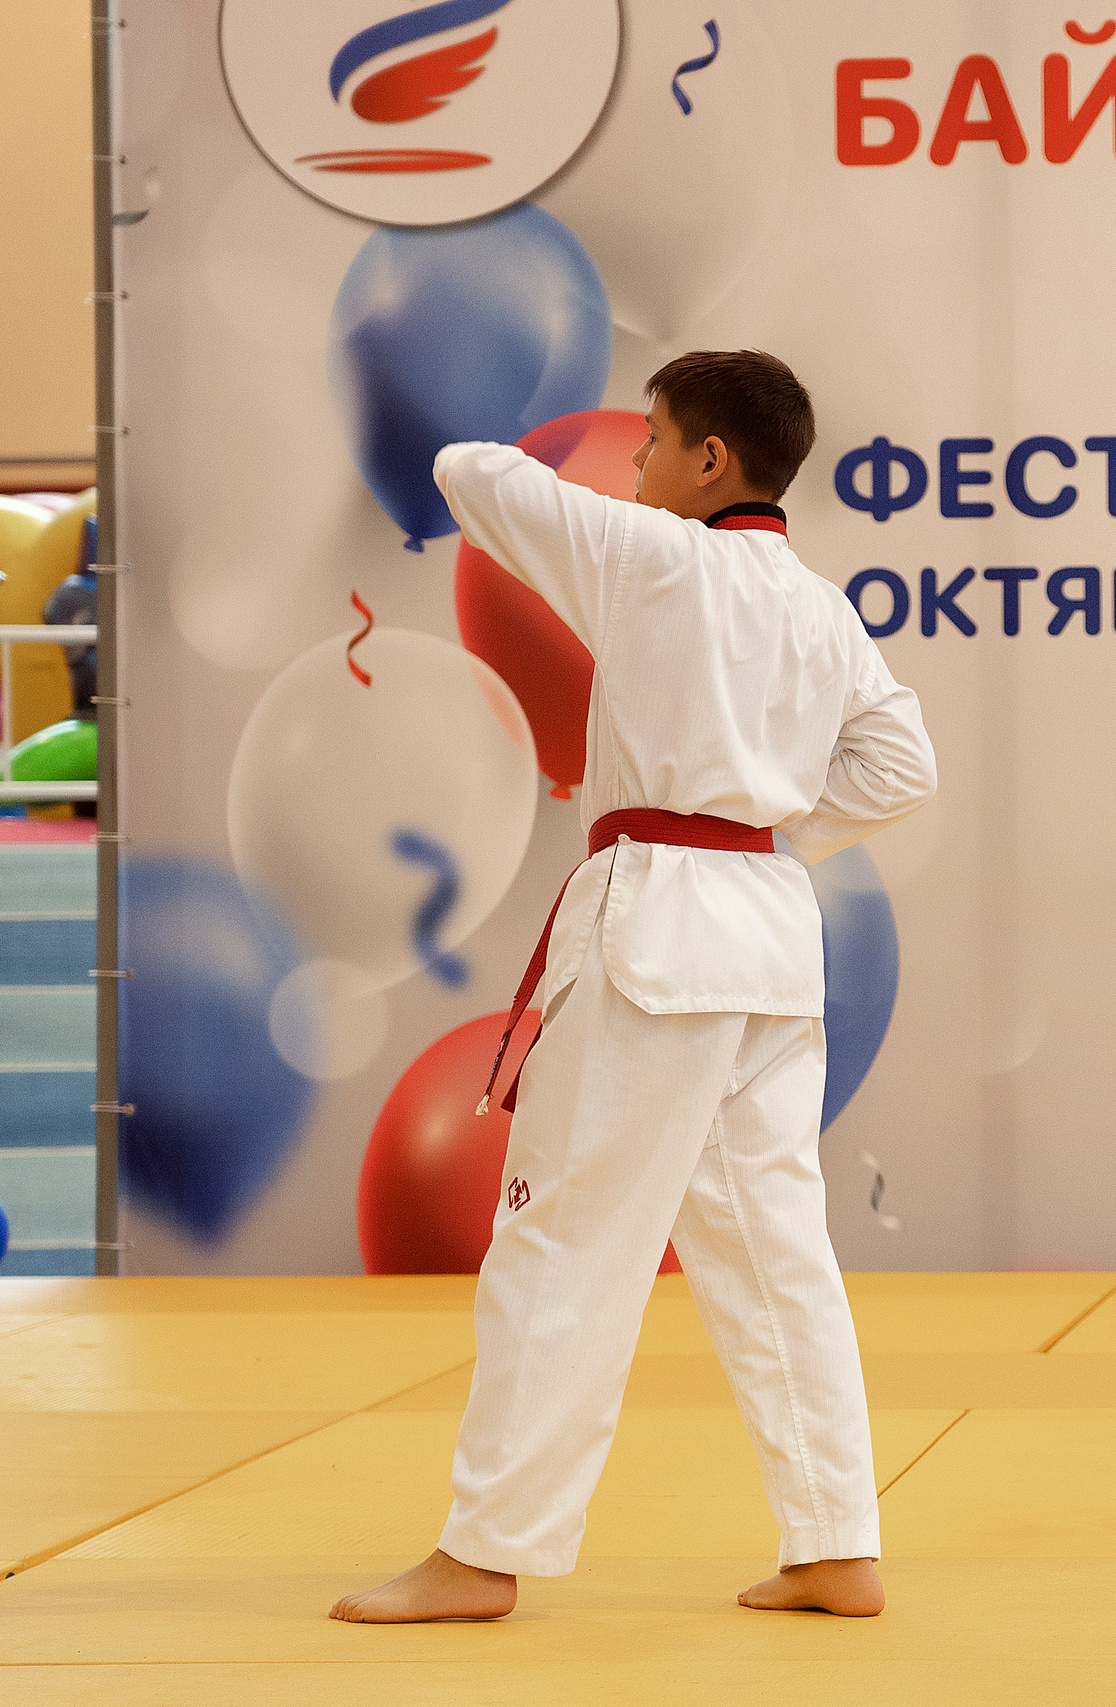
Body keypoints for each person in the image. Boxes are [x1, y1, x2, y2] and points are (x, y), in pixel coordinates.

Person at [330, 350, 934, 1623]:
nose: (636, 463)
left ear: (712, 461)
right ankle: (836, 1543)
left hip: (658, 922)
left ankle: (485, 1553)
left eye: (651, 440)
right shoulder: (821, 608)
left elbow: (471, 473)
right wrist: (765, 822)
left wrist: (699, 822)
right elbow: (900, 769)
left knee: (564, 1239)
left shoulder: (649, 555)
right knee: (777, 1250)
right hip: (771, 936)